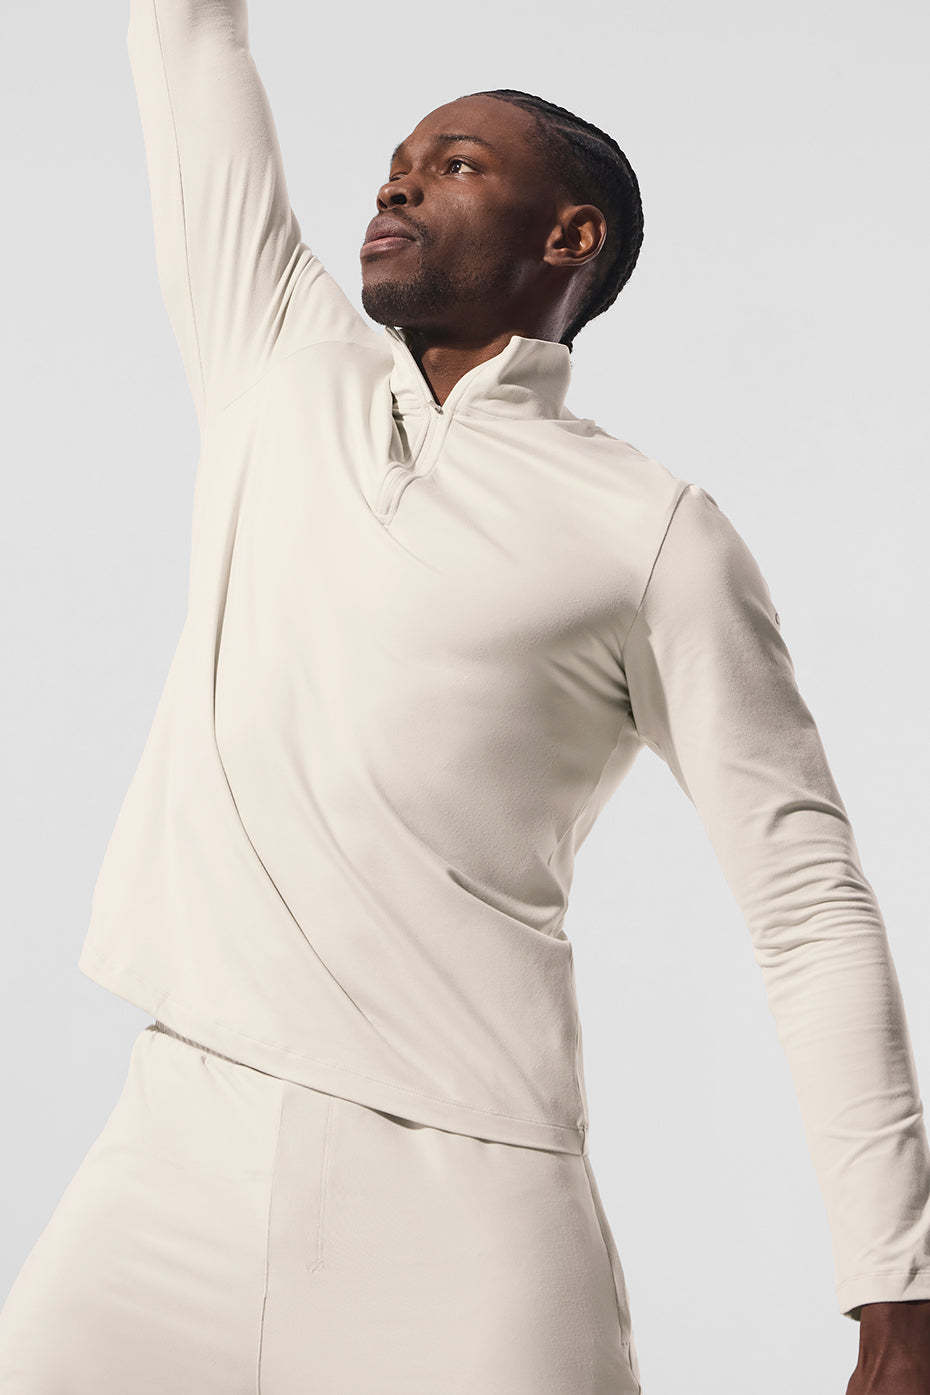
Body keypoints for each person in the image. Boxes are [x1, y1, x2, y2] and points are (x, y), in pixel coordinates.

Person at [1, 0, 929, 1390]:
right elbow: (190, 41)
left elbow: (807, 905)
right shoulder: (278, 365)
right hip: (175, 1155)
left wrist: (897, 1289)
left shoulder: (652, 531)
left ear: (569, 237)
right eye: (393, 165)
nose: (395, 187)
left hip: (472, 1201)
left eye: (453, 164)